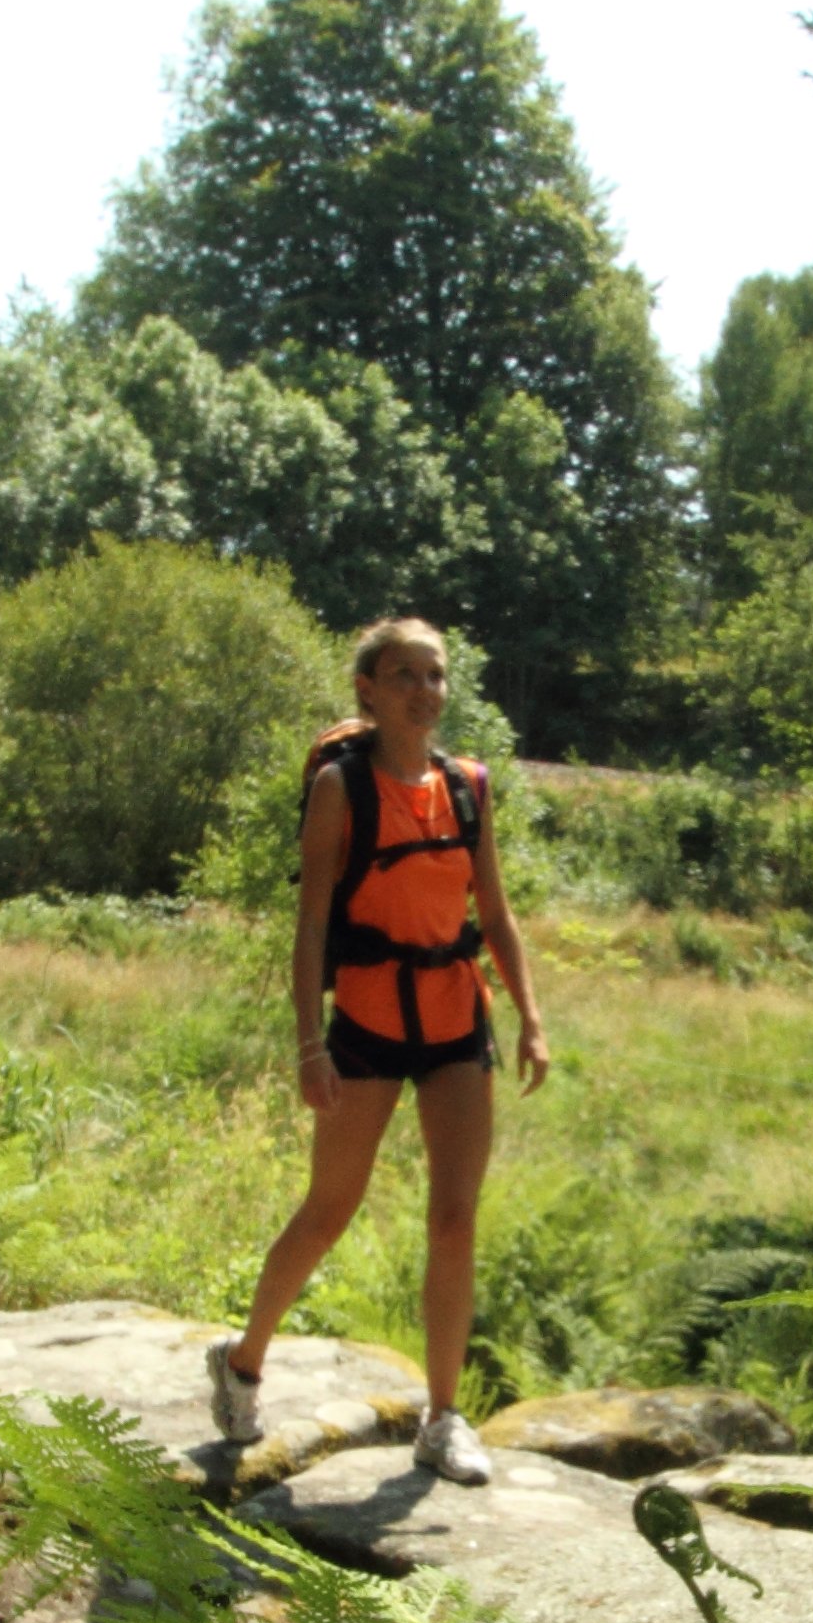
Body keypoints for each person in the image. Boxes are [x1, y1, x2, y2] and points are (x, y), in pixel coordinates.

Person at [205, 615, 550, 1482]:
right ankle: (243, 1363)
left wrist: (532, 1017)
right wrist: (307, 1044)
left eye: (435, 675)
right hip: (365, 1021)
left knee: (455, 1219)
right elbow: (312, 921)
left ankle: (443, 1418)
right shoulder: (342, 789)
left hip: (455, 1019)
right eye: (405, 676)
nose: (424, 691)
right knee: (330, 1208)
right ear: (368, 689)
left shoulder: (467, 786)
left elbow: (495, 911)